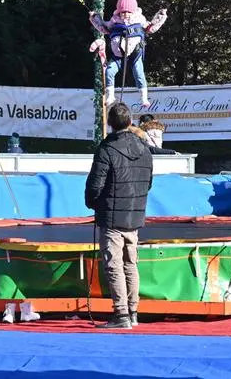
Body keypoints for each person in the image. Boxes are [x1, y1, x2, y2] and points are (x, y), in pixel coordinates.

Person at [85, 103, 154, 329]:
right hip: (134, 215)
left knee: (114, 264)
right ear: (130, 121)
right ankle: (133, 312)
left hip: (112, 217)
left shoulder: (107, 149)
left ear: (109, 123)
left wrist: (93, 203)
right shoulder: (144, 148)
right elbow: (149, 183)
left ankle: (121, 314)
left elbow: (95, 185)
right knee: (130, 264)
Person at [89, 0, 167, 108]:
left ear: (133, 11)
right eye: (122, 12)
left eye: (127, 12)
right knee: (109, 71)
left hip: (135, 51)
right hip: (118, 53)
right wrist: (94, 17)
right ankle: (110, 96)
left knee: (138, 72)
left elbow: (151, 27)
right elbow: (103, 28)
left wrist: (161, 16)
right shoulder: (114, 21)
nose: (125, 14)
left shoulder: (139, 19)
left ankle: (144, 98)